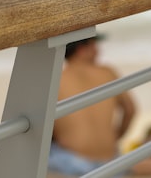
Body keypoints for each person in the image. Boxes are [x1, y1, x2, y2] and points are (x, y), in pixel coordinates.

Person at [49, 36, 136, 175]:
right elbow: (130, 110)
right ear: (81, 49)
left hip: (73, 163)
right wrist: (116, 136)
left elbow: (46, 126)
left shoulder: (56, 79)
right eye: (94, 45)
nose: (98, 51)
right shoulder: (107, 72)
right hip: (110, 161)